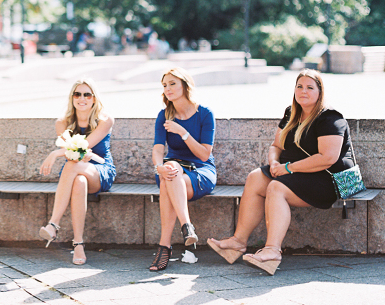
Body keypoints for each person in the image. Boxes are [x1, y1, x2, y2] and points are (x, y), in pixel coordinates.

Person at [207, 69, 355, 275]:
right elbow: (276, 145)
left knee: (276, 188)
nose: (303, 91)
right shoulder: (291, 113)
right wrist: (274, 162)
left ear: (320, 92)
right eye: (299, 86)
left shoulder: (330, 118)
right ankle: (237, 243)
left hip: (328, 179)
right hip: (297, 173)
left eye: (310, 87)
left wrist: (287, 168)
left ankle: (272, 252)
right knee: (256, 177)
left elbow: (327, 158)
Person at [38, 79, 115, 265]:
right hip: (75, 173)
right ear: (72, 98)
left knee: (74, 167)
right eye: (77, 94)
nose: (82, 98)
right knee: (79, 180)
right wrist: (74, 155)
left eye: (87, 94)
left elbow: (83, 147)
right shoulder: (62, 123)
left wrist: (56, 153)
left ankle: (54, 224)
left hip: (100, 170)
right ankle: (78, 244)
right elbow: (74, 156)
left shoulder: (105, 120)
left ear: (94, 98)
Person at [148, 67, 216, 272]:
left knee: (169, 180)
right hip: (174, 171)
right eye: (165, 85)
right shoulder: (164, 115)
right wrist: (158, 167)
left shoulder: (205, 114)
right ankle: (187, 226)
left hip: (201, 170)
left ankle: (164, 247)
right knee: (171, 170)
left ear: (185, 85)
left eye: (172, 83)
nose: (168, 89)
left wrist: (183, 132)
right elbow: (158, 148)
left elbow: (204, 154)